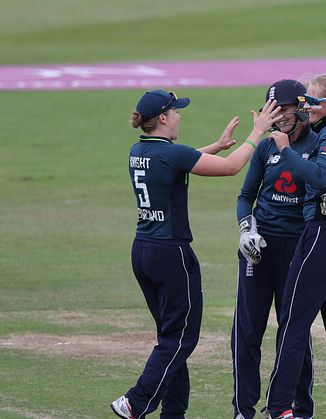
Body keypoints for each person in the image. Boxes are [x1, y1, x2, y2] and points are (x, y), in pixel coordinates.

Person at [111, 89, 281, 419]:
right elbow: (232, 168)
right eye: (175, 112)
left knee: (170, 337)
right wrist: (258, 131)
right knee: (181, 338)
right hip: (171, 255)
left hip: (142, 251)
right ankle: (135, 401)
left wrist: (214, 148)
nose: (179, 116)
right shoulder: (172, 156)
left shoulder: (139, 151)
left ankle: (173, 413)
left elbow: (175, 163)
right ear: (162, 118)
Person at [263, 74, 326, 419]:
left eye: (313, 100)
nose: (306, 104)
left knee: (293, 322)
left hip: (322, 237)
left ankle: (279, 409)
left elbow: (321, 176)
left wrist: (284, 150)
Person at [231, 80, 319, 419]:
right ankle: (243, 409)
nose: (277, 117)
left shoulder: (318, 144)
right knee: (247, 329)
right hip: (258, 248)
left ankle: (299, 407)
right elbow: (245, 197)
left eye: (283, 110)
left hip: (298, 250)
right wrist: (246, 229)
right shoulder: (266, 147)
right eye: (272, 110)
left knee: (294, 329)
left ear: (300, 109)